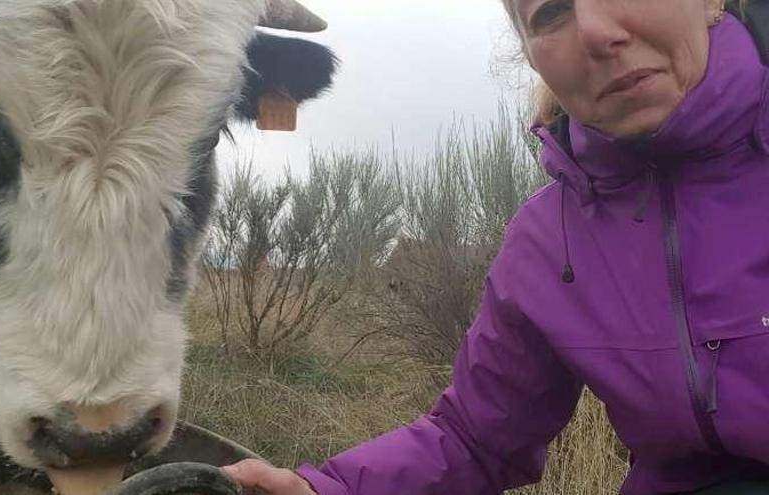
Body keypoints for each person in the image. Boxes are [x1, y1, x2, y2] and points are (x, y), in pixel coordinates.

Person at [223, 0, 769, 493]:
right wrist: (323, 491)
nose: (597, 33)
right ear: (531, 56)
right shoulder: (550, 237)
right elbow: (476, 438)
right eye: (552, 13)